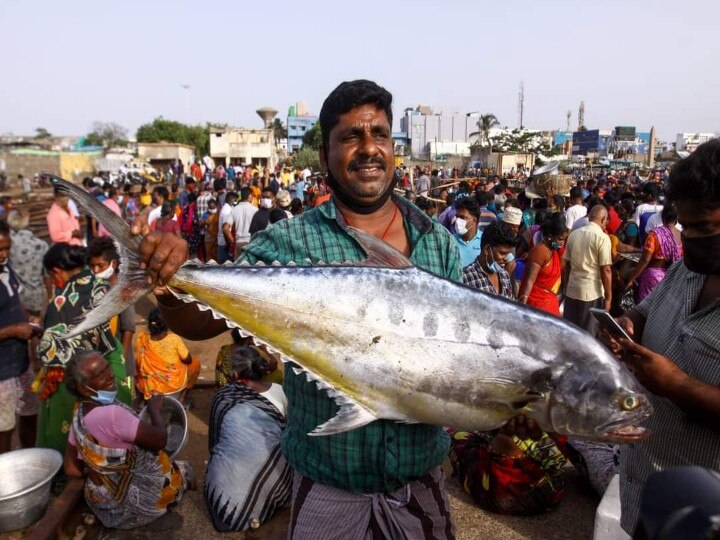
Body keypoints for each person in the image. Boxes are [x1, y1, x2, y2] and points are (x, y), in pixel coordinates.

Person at [136, 80, 463, 539]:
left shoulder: (437, 243)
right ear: (325, 153)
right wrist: (169, 285)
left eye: (380, 134)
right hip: (327, 484)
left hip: (418, 482)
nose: (369, 148)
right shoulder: (286, 243)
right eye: (351, 136)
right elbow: (199, 320)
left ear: (394, 146)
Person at [598, 139, 720, 535]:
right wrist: (629, 323)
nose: (690, 238)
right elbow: (646, 311)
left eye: (704, 226)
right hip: (644, 498)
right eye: (686, 226)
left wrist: (677, 385)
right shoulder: (689, 269)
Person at [64, 351, 193, 529]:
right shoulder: (112, 415)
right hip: (135, 505)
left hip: (104, 502)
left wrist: (105, 469)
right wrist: (154, 408)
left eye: (107, 367)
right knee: (182, 471)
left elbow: (71, 469)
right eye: (99, 374)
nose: (110, 375)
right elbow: (160, 441)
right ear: (84, 388)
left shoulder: (79, 414)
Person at [37, 243, 129, 454]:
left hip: (81, 372)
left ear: (57, 271)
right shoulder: (103, 284)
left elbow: (50, 351)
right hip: (109, 362)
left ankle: (71, 471)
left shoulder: (60, 301)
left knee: (75, 430)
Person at [204, 346, 291, 532]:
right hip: (273, 475)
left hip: (222, 506)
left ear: (234, 373)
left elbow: (213, 444)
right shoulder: (280, 391)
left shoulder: (224, 396)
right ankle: (264, 502)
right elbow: (288, 434)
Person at [0, 220, 42, 453]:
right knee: (4, 427)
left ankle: (29, 457)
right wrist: (13, 331)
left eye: (7, 248)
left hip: (21, 363)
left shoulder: (7, 271)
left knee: (29, 412)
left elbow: (16, 303)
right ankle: (5, 475)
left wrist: (29, 322)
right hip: (1, 372)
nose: (4, 255)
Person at [88, 238, 136, 393]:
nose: (95, 270)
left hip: (119, 357)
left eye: (100, 266)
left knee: (124, 399)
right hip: (102, 358)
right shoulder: (95, 290)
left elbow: (128, 328)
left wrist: (120, 359)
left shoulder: (122, 291)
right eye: (92, 266)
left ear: (113, 264)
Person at [562, 205, 612, 335]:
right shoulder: (602, 238)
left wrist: (567, 284)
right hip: (591, 293)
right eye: (606, 221)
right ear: (603, 219)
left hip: (572, 289)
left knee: (570, 331)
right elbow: (606, 269)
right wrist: (609, 297)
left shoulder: (574, 234)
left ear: (590, 217)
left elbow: (566, 264)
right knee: (588, 335)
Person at [134, 308, 199, 402]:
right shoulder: (174, 339)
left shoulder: (142, 339)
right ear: (167, 323)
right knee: (195, 364)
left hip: (146, 385)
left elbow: (139, 362)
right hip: (171, 386)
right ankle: (181, 398)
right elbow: (188, 360)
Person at [625, 203, 683, 302]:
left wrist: (631, 278)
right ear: (677, 219)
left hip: (653, 277)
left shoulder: (654, 235)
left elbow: (645, 260)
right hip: (672, 277)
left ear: (663, 217)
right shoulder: (681, 236)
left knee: (645, 308)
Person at [518, 213, 569, 316]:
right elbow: (529, 280)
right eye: (560, 239)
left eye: (564, 240)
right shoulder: (540, 251)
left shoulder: (553, 251)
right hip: (537, 303)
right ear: (550, 237)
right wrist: (523, 304)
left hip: (549, 303)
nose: (562, 243)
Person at [7, 210, 48, 315]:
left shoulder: (8, 246)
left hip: (15, 297)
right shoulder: (41, 244)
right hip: (37, 296)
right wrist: (50, 295)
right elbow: (47, 275)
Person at [462, 221, 517, 297]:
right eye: (502, 253)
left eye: (507, 254)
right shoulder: (466, 277)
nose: (506, 258)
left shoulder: (505, 275)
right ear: (487, 249)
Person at [454, 196, 483, 267]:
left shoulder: (485, 240)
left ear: (474, 220)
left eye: (462, 217)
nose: (458, 221)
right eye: (457, 217)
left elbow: (509, 260)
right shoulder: (450, 240)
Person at [228, 187, 257, 254]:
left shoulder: (234, 209)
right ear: (249, 196)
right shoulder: (255, 210)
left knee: (238, 263)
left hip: (238, 243)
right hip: (250, 243)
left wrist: (233, 242)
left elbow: (225, 228)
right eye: (252, 196)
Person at [217, 191, 237, 264]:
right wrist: (229, 242)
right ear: (232, 199)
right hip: (225, 243)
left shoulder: (227, 208)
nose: (236, 201)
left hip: (224, 241)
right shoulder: (227, 210)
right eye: (235, 199)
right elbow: (225, 228)